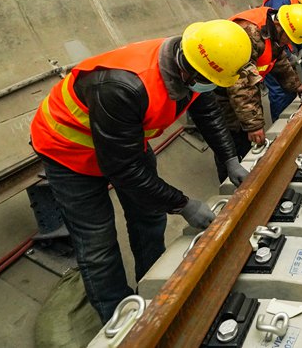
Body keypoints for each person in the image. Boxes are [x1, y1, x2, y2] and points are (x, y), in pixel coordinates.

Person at [29, 20, 253, 322]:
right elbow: (124, 170)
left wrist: (229, 159)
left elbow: (207, 111)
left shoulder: (194, 64)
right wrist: (183, 204)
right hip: (68, 150)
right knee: (98, 243)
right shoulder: (124, 85)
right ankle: (120, 320)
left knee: (149, 216)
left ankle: (152, 285)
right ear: (190, 69)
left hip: (124, 141)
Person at [218, 4, 302, 176]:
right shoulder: (250, 34)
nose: (289, 43)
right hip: (220, 90)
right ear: (279, 26)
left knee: (244, 134)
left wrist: (296, 85)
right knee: (231, 138)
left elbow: (278, 60)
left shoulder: (271, 32)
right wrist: (254, 125)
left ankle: (244, 170)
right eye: (288, 38)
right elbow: (242, 84)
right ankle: (230, 181)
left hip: (237, 87)